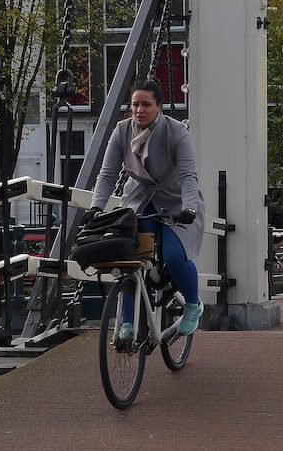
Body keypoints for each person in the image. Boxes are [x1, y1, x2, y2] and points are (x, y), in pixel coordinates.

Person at [87, 80, 206, 337]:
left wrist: (190, 209)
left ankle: (193, 305)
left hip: (175, 201)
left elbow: (188, 176)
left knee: (175, 255)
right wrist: (96, 206)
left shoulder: (176, 132)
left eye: (146, 104)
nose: (139, 110)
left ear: (159, 107)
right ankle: (127, 323)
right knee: (131, 259)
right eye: (135, 104)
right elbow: (107, 175)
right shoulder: (121, 131)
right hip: (138, 200)